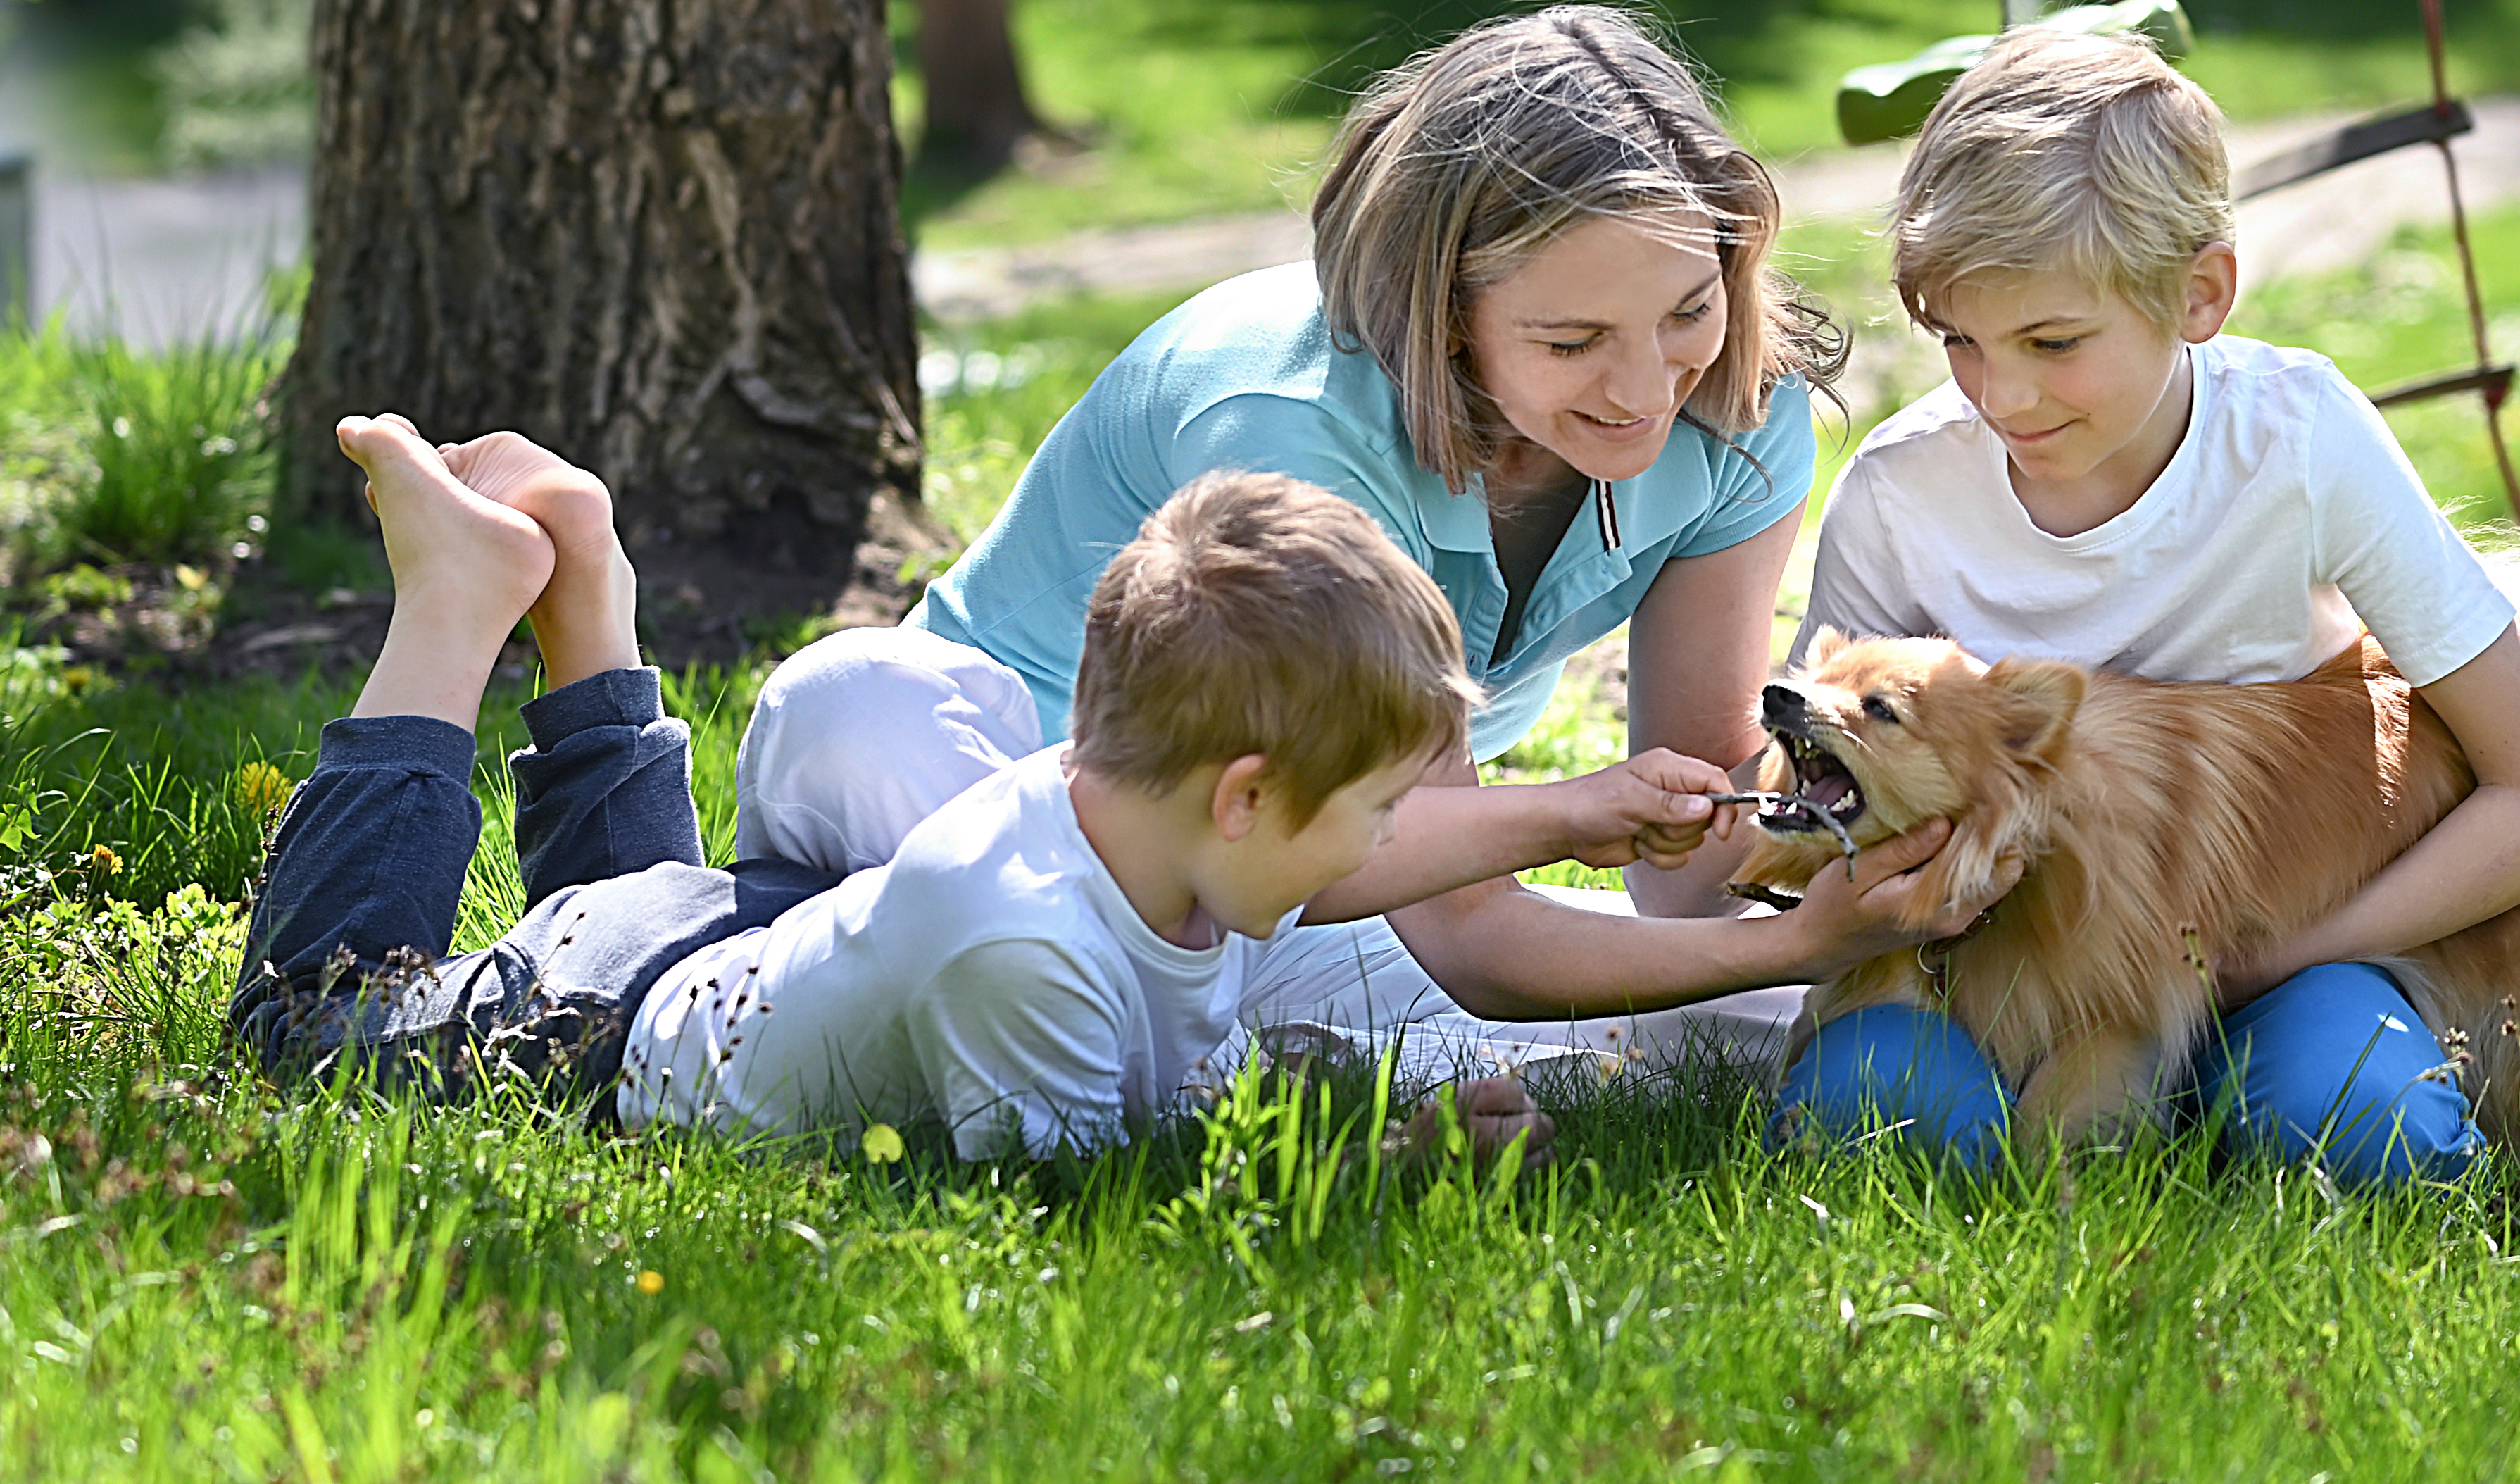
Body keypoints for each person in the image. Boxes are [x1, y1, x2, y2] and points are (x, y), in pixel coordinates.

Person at [751, 5, 1990, 1083]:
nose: (1644, 388)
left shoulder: (1735, 401)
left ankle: (1238, 1058)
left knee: (1766, 1028)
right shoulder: (1295, 428)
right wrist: (1736, 913)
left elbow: (1679, 863)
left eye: (1687, 310)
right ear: (1444, 315)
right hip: (1013, 804)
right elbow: (1449, 922)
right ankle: (1207, 1065)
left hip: (1328, 873)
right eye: (1571, 343)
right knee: (872, 722)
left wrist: (1869, 868)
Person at [225, 416, 1555, 1160]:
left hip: (741, 935)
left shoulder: (1151, 846)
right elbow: (1079, 1195)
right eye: (1374, 812)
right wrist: (1383, 1163)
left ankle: (584, 593)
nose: (1386, 847)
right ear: (1246, 798)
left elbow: (1174, 1078)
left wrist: (1376, 1113)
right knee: (302, 1033)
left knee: (625, 905)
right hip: (599, 1022)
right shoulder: (1019, 943)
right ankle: (451, 619)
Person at [1777, 27, 2520, 1181]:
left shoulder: (2298, 439)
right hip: (1986, 972)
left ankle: (2233, 1085)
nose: (2000, 393)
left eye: (2052, 341)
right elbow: (1811, 793)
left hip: (2274, 952)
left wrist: (2289, 957)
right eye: (1960, 341)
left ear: (2201, 294)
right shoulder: (1902, 489)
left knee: (2365, 1140)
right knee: (1881, 1131)